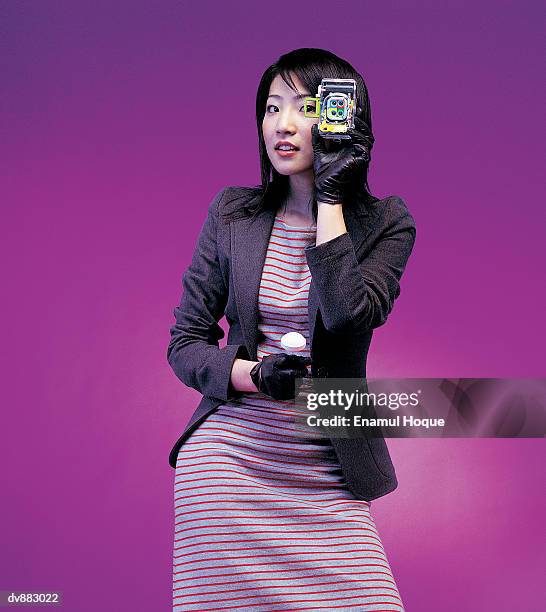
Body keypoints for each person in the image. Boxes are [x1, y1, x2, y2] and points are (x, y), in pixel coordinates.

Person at [167, 48, 416, 611]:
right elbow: (185, 344)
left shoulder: (388, 223)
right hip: (228, 465)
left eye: (306, 108)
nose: (282, 124)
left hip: (328, 461)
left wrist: (330, 197)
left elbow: (348, 312)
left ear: (344, 121)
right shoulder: (234, 212)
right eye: (271, 107)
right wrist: (256, 375)